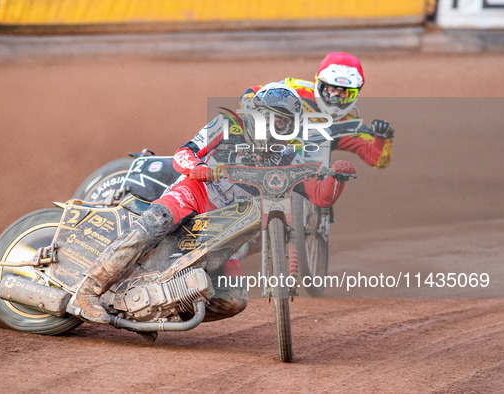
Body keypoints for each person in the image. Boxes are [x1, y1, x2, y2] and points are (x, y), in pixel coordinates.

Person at [75, 83, 357, 324]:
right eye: (274, 118)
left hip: (224, 226)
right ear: (258, 114)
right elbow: (183, 154)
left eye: (284, 123)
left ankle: (160, 310)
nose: (277, 127)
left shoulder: (287, 156)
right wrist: (198, 167)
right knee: (154, 223)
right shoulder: (228, 125)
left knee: (234, 300)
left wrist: (339, 178)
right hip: (194, 195)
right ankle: (88, 290)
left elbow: (320, 196)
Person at [240, 52, 395, 170]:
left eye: (344, 93)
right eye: (330, 90)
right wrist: (254, 116)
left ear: (357, 94)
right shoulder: (296, 89)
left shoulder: (349, 125)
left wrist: (384, 137)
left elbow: (378, 160)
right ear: (318, 84)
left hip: (316, 174)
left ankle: (323, 213)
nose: (336, 98)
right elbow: (252, 92)